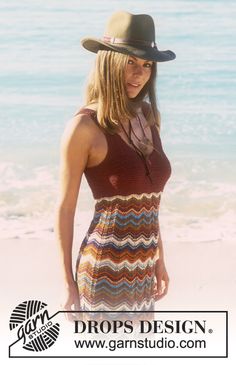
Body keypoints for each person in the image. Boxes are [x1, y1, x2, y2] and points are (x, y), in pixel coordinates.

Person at [55, 11, 176, 320]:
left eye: (146, 65)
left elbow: (149, 202)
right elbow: (65, 209)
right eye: (130, 63)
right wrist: (68, 284)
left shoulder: (148, 117)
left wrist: (160, 259)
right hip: (104, 273)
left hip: (144, 272)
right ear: (109, 63)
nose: (139, 74)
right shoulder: (84, 127)